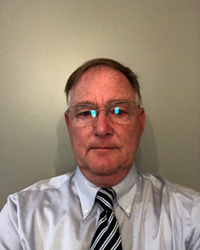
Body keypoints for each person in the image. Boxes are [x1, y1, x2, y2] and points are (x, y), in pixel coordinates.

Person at [0, 58, 199, 249]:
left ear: (140, 122)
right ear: (69, 125)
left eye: (119, 111)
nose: (102, 129)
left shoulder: (191, 217)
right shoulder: (20, 216)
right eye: (85, 113)